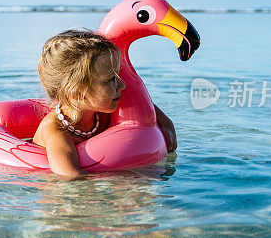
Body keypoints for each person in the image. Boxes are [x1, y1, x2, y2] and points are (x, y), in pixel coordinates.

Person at [32, 29, 177, 180]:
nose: (122, 85)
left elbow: (143, 105)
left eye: (117, 76)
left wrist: (165, 121)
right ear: (77, 92)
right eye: (110, 80)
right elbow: (70, 177)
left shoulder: (103, 107)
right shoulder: (57, 133)